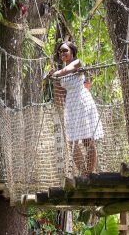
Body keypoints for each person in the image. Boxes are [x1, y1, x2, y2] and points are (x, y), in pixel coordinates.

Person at [47, 41, 103, 175]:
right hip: (71, 105)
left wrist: (55, 74)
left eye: (65, 50)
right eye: (60, 51)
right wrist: (53, 79)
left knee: (87, 140)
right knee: (72, 141)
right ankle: (83, 172)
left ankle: (88, 173)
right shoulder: (60, 72)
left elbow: (66, 70)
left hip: (82, 102)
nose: (62, 53)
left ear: (72, 51)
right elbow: (59, 93)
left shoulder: (77, 63)